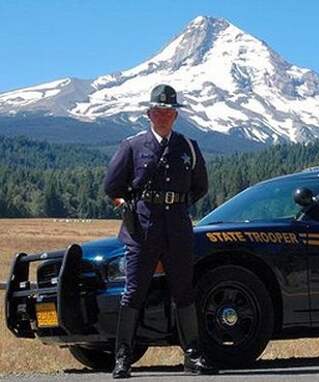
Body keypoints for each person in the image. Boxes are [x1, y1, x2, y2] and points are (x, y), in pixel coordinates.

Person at [103, 84, 218, 378]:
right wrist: (126, 205)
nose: (163, 115)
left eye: (169, 111)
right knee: (134, 293)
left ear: (175, 115)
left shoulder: (188, 146)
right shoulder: (132, 145)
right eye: (158, 111)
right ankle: (123, 359)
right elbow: (112, 187)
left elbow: (200, 186)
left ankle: (193, 356)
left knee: (184, 291)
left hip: (178, 230)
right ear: (148, 113)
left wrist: (178, 204)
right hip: (142, 230)